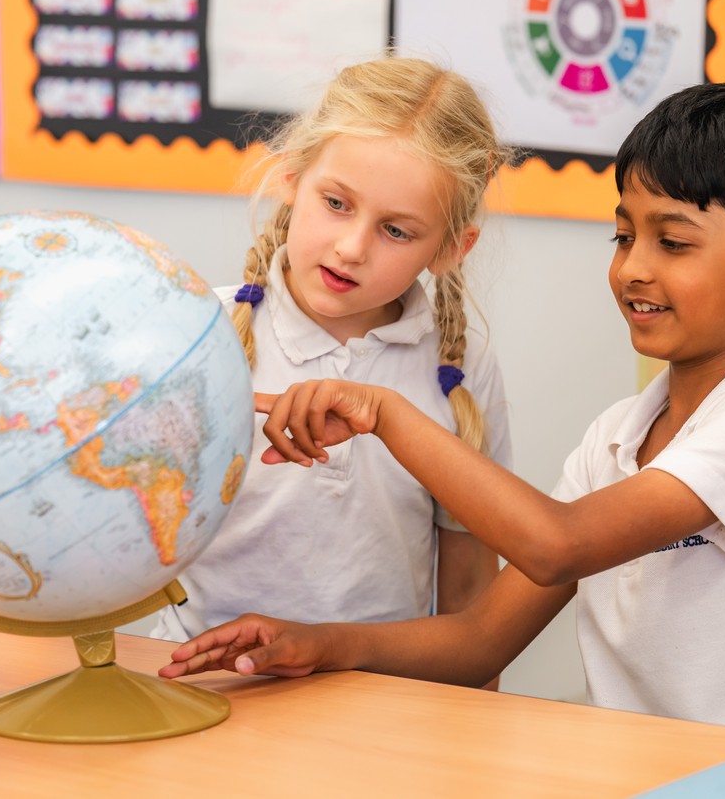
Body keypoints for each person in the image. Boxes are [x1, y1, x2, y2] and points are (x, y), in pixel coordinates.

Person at [159, 81, 725, 749]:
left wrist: (385, 413)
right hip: (640, 767)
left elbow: (557, 546)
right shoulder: (614, 439)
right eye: (623, 237)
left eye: (671, 243)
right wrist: (316, 643)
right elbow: (479, 641)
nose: (633, 269)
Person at [149, 56, 513, 652]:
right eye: (337, 203)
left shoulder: (464, 368)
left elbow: (471, 586)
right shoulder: (200, 332)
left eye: (396, 231)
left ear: (452, 248)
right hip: (202, 680)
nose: (350, 248)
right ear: (292, 176)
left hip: (377, 699)